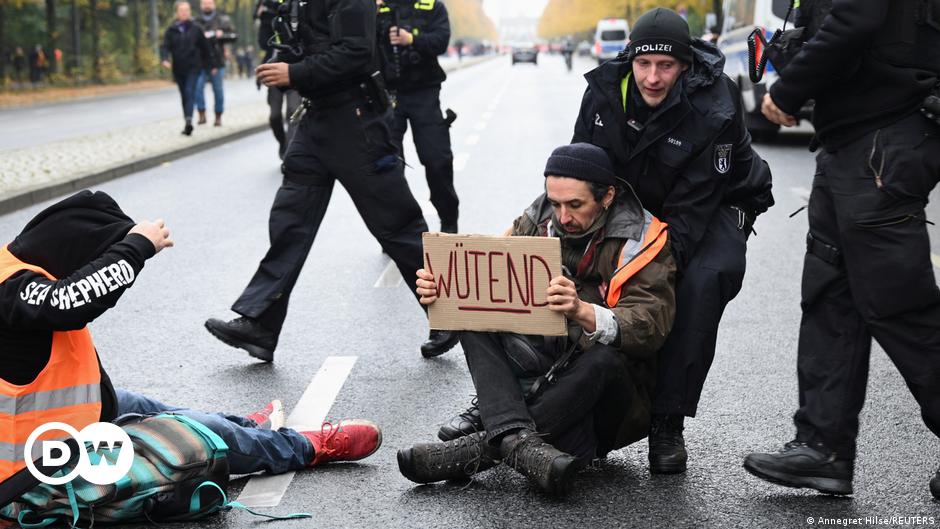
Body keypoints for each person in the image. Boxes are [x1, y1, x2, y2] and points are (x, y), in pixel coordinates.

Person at [0, 191, 383, 491]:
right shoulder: (14, 288)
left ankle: (240, 429)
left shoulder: (19, 268)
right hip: (33, 473)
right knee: (195, 439)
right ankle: (304, 448)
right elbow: (68, 303)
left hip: (59, 426)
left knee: (146, 404)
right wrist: (136, 248)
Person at [397, 143, 677, 496]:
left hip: (602, 401)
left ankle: (477, 451)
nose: (562, 216)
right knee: (470, 314)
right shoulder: (540, 216)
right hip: (542, 376)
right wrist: (443, 288)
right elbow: (483, 279)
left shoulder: (643, 238)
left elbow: (651, 326)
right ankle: (517, 439)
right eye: (555, 203)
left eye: (575, 205)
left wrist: (582, 311)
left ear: (607, 196)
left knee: (607, 358)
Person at [744, 0, 940, 499]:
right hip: (856, 142)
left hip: (883, 140)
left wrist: (787, 90)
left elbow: (856, 19)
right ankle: (823, 448)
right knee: (832, 297)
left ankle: (823, 447)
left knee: (899, 305)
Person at [569, 7, 774, 475]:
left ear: (684, 66)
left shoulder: (715, 105)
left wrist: (636, 277)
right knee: (585, 268)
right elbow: (581, 173)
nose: (653, 77)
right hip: (636, 196)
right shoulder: (602, 91)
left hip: (716, 201)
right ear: (630, 61)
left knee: (698, 280)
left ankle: (667, 422)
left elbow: (686, 220)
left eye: (666, 66)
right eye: (644, 64)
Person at [204, 0, 458, 362]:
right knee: (290, 222)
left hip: (358, 122)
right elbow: (302, 40)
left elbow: (355, 53)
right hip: (315, 121)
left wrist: (295, 74)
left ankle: (449, 315)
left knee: (397, 225)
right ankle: (260, 322)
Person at [376, 0, 460, 233]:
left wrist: (411, 38)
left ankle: (449, 222)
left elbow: (441, 41)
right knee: (388, 163)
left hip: (424, 92)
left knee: (437, 160)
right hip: (387, 94)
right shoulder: (377, 6)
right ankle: (396, 227)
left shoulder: (432, 6)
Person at [254, 0, 302, 159]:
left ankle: (290, 152)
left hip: (294, 69)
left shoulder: (298, 9)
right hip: (274, 68)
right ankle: (283, 143)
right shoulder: (267, 14)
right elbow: (263, 43)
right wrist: (266, 20)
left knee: (292, 111)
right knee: (274, 116)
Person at [161, 0, 211, 136]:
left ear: (190, 12)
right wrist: (165, 59)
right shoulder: (171, 30)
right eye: (182, 11)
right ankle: (187, 120)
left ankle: (189, 120)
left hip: (194, 67)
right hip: (178, 68)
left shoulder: (196, 28)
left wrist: (208, 66)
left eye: (187, 10)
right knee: (184, 94)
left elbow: (205, 48)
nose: (184, 13)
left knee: (190, 91)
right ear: (177, 13)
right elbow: (165, 46)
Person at [195, 0, 237, 127]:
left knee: (218, 90)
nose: (207, 5)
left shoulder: (223, 20)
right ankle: (201, 114)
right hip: (200, 62)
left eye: (209, 3)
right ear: (201, 5)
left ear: (214, 4)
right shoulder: (196, 22)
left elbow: (234, 36)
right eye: (204, 3)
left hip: (217, 61)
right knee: (197, 89)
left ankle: (218, 116)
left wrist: (222, 35)